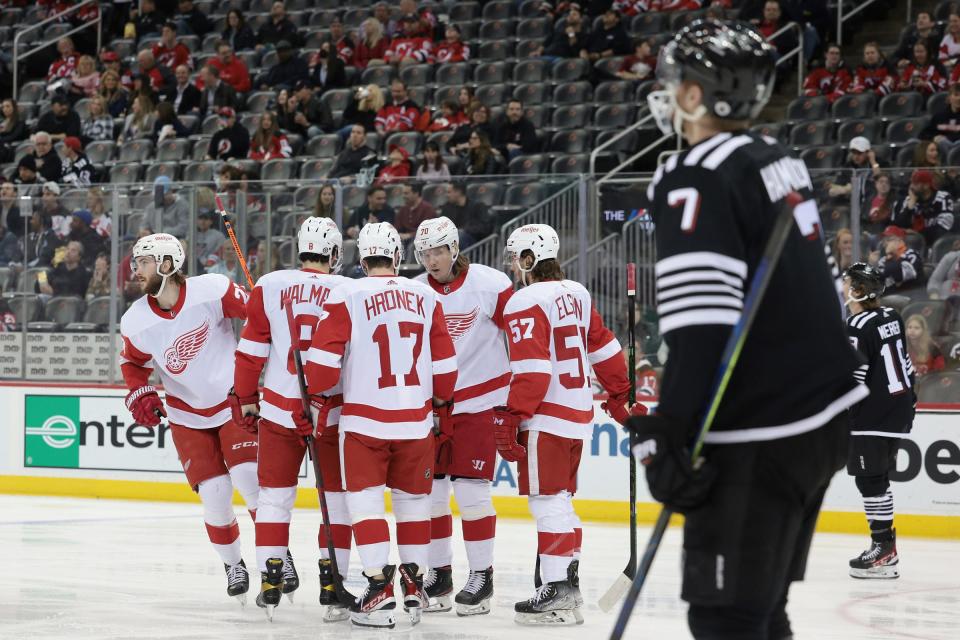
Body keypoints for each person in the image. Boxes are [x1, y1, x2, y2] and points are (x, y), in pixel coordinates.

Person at [626, 21, 867, 639]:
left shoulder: (694, 175)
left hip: (761, 428)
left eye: (676, 79)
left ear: (695, 95)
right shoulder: (779, 160)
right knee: (761, 610)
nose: (668, 89)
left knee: (725, 616)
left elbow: (701, 324)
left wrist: (668, 431)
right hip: (823, 417)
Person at [303, 222, 457, 628]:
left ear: (360, 258)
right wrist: (438, 403)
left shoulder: (347, 293)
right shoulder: (425, 295)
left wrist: (315, 390)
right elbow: (445, 369)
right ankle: (413, 586)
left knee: (365, 502)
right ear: (397, 257)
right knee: (413, 504)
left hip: (365, 421)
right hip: (415, 422)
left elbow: (319, 370)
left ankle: (378, 588)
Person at [495, 223, 635, 625]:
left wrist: (513, 415)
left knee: (547, 501)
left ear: (529, 259)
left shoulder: (524, 301)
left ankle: (556, 588)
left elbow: (534, 372)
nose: (513, 266)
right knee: (561, 500)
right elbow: (604, 346)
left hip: (546, 413)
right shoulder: (577, 292)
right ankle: (567, 583)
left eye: (516, 257)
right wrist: (620, 394)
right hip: (577, 413)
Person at [118, 233, 267, 606]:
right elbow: (133, 363)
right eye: (136, 262)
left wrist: (267, 329)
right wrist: (141, 391)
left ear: (168, 264)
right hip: (186, 414)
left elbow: (258, 318)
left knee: (249, 478)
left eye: (145, 262)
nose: (136, 269)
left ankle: (274, 556)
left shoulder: (213, 290)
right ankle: (234, 565)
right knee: (215, 496)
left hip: (233, 401)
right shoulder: (135, 320)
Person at [233, 218, 352, 619]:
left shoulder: (269, 284)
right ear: (334, 254)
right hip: (330, 411)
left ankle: (270, 575)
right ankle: (333, 581)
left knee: (274, 497)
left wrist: (247, 398)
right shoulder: (347, 289)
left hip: (279, 408)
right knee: (335, 500)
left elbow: (250, 353)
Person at [405, 216, 511, 615]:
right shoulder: (414, 291)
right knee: (431, 496)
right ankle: (440, 573)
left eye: (438, 251)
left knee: (471, 493)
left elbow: (518, 337)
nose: (432, 260)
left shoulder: (490, 284)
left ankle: (481, 575)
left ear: (454, 249)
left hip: (480, 403)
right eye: (425, 253)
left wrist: (517, 400)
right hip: (433, 409)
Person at [841, 263, 914, 580]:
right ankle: (885, 547)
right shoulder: (892, 317)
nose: (845, 287)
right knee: (877, 478)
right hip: (898, 407)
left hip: (872, 412)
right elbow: (907, 365)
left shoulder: (857, 324)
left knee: (870, 480)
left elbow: (855, 377)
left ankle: (884, 549)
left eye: (849, 283)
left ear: (858, 290)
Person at [892, 169, 955, 246]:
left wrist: (919, 234)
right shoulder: (910, 200)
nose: (911, 186)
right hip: (915, 243)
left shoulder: (943, 197)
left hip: (939, 243)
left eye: (916, 183)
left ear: (926, 185)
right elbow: (899, 226)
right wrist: (910, 206)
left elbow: (944, 227)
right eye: (912, 183)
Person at [440, 182, 492, 248]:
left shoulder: (477, 206)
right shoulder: (447, 207)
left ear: (458, 192)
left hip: (473, 241)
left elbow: (484, 227)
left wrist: (464, 230)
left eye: (449, 192)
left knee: (459, 235)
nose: (447, 195)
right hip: (452, 238)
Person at [875, 225, 923, 293]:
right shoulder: (883, 260)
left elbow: (900, 275)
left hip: (913, 295)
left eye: (889, 239)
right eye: (884, 240)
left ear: (900, 241)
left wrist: (888, 261)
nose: (885, 243)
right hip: (889, 298)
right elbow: (879, 280)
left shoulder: (912, 255)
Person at [921, 83, 960, 160]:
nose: (959, 98)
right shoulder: (939, 116)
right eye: (956, 95)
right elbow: (924, 133)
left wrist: (947, 138)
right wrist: (934, 137)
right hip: (941, 150)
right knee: (913, 141)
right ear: (949, 98)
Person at [0, 98, 28, 162]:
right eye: (3, 107)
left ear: (14, 108)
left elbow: (14, 136)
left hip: (11, 149)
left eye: (7, 106)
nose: (5, 109)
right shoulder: (2, 122)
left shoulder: (20, 122)